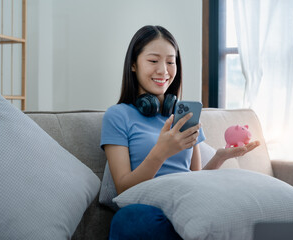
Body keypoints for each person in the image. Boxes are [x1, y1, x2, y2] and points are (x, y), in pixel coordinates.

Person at [100, 25, 260, 240]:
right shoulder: (118, 116)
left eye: (170, 61)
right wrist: (162, 151)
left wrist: (220, 157)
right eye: (153, 61)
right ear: (133, 65)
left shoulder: (182, 115)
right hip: (148, 210)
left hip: (187, 207)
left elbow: (195, 179)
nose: (163, 71)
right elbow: (123, 188)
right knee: (130, 219)